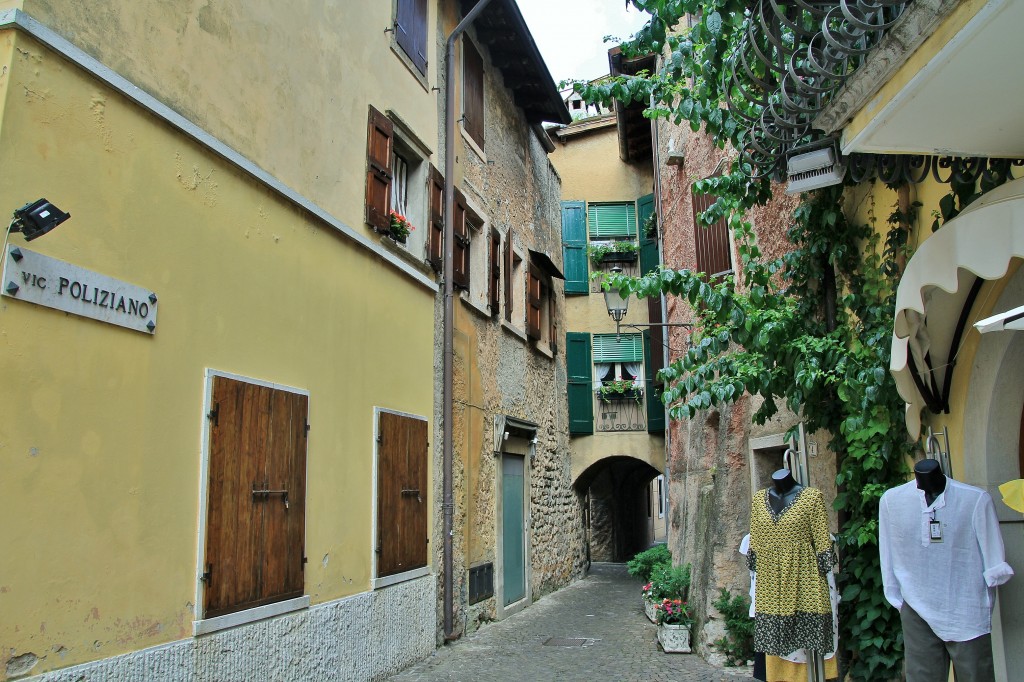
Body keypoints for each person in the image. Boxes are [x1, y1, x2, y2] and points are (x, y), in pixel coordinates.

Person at [878, 459, 1014, 682]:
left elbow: (994, 563)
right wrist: (896, 596)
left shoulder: (975, 500)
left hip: (966, 607)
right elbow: (888, 552)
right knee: (922, 677)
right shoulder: (892, 501)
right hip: (916, 606)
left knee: (976, 676)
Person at [749, 468, 838, 682]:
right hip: (770, 583)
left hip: (805, 579)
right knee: (775, 644)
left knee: (808, 640)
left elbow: (823, 544)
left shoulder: (812, 497)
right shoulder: (759, 500)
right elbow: (755, 545)